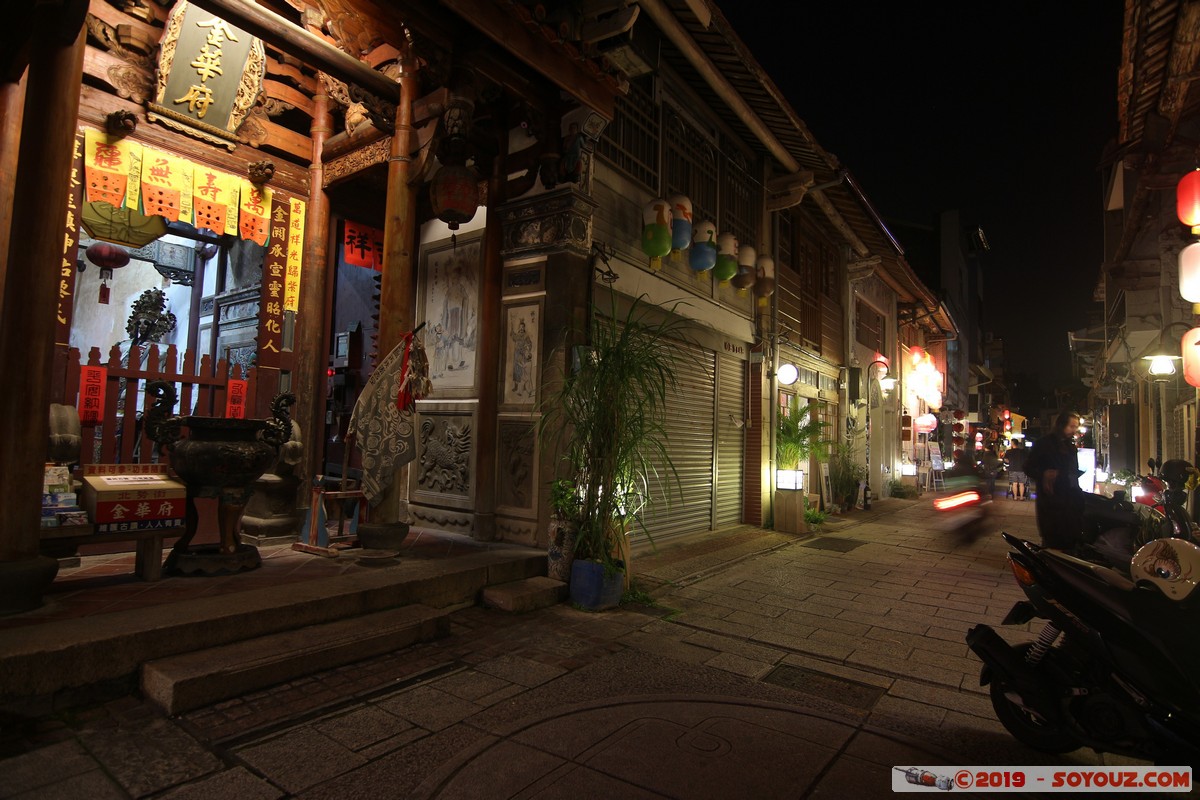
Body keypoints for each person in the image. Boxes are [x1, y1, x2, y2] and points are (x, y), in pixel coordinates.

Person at [1025, 411, 1085, 550]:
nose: (1074, 430)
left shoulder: (1071, 447)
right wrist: (1043, 474)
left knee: (1070, 539)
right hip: (1051, 501)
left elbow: (1072, 471)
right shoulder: (1044, 444)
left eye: (1076, 427)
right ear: (1061, 425)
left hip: (1070, 499)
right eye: (1071, 426)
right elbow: (1028, 467)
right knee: (1052, 540)